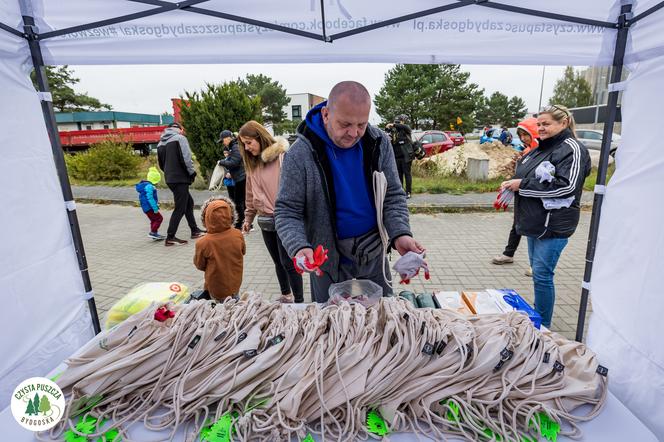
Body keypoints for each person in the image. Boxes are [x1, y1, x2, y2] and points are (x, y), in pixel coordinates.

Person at [275, 81, 425, 303]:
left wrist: (400, 233)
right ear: (326, 114)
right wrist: (299, 246)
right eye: (345, 124)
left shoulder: (378, 141)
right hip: (326, 258)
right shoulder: (300, 154)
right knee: (331, 324)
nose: (354, 133)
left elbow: (393, 195)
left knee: (380, 318)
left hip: (373, 252)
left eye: (361, 124)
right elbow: (287, 211)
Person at [500, 105, 591, 328]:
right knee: (538, 276)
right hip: (534, 222)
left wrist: (522, 185)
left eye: (546, 124)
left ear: (564, 123)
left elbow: (567, 187)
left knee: (542, 275)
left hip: (554, 224)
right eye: (539, 124)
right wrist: (513, 183)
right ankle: (538, 318)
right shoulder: (540, 148)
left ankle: (543, 326)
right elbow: (526, 175)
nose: (541, 128)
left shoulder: (573, 148)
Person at [238, 121, 304, 304]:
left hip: (285, 219)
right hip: (265, 220)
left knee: (288, 262)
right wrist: (248, 217)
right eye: (244, 144)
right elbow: (250, 194)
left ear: (260, 137)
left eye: (249, 142)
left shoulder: (282, 157)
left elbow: (296, 189)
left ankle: (299, 300)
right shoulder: (252, 164)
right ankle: (286, 295)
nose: (246, 147)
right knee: (277, 261)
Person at [492, 117, 539, 273]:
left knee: (534, 231)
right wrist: (510, 182)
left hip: (535, 198)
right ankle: (509, 253)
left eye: (526, 134)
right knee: (517, 224)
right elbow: (521, 173)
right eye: (521, 135)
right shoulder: (525, 151)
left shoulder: (540, 152)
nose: (524, 138)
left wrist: (519, 182)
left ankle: (535, 265)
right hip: (522, 195)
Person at [157, 122, 206, 246]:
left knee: (188, 203)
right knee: (180, 207)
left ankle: (194, 230)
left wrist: (169, 173)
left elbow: (161, 164)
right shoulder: (180, 138)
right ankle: (170, 237)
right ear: (180, 129)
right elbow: (186, 158)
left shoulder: (160, 142)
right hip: (180, 178)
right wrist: (191, 173)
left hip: (171, 178)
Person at [193, 196, 246, 301]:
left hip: (216, 287)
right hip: (235, 282)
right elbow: (243, 252)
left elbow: (199, 265)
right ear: (230, 216)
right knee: (235, 305)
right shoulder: (238, 234)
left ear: (206, 217)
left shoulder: (203, 242)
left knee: (219, 310)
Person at [217, 130, 247, 230]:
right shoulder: (233, 146)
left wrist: (221, 162)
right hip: (239, 177)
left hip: (241, 177)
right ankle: (244, 222)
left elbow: (234, 162)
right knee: (241, 200)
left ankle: (241, 222)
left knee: (239, 201)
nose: (223, 143)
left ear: (228, 138)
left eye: (222, 141)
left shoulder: (235, 147)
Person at [386, 115, 414, 198]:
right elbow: (387, 135)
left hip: (406, 156)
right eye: (396, 121)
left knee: (407, 173)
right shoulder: (393, 131)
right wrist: (388, 128)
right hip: (396, 156)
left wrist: (393, 125)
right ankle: (401, 191)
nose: (397, 123)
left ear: (402, 122)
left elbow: (405, 127)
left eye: (399, 121)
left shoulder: (406, 129)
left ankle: (408, 192)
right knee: (399, 174)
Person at [135, 166, 165, 240]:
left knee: (153, 220)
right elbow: (150, 198)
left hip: (145, 207)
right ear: (155, 179)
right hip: (150, 207)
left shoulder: (145, 185)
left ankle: (154, 234)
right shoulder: (149, 187)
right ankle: (153, 232)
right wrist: (155, 208)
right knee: (159, 218)